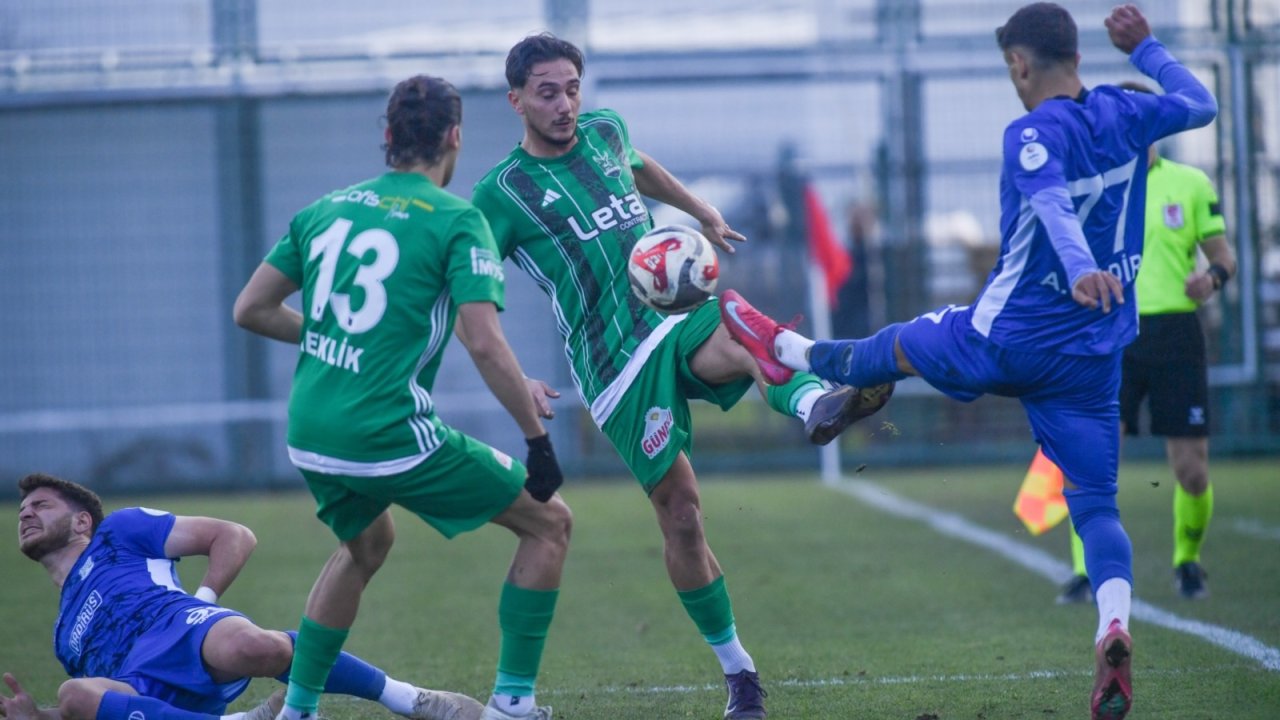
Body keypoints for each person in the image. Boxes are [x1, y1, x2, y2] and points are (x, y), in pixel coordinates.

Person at [717, 5, 1216, 720]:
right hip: (1092, 354)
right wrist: (1147, 50)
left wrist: (1077, 266)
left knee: (897, 345)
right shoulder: (1127, 112)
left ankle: (789, 351)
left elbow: (1052, 202)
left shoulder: (1031, 132)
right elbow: (1201, 105)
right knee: (1095, 505)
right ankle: (1112, 624)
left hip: (1005, 340)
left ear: (1019, 64)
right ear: (1078, 54)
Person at [470, 33, 892, 720]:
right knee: (683, 516)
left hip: (672, 318)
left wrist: (701, 212)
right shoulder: (501, 193)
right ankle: (739, 671)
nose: (565, 104)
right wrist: (517, 377)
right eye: (547, 93)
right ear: (516, 100)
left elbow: (640, 167)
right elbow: (472, 298)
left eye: (572, 89)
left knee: (736, 325)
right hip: (613, 366)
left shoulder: (604, 131)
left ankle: (818, 399)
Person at [233, 75, 572, 720]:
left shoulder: (326, 209)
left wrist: (331, 338)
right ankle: (513, 704)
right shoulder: (457, 219)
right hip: (385, 433)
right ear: (455, 137)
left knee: (365, 545)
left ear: (388, 136)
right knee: (549, 522)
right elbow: (484, 342)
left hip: (309, 431)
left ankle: (298, 711)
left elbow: (251, 308)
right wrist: (537, 440)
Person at [5, 472, 480, 720]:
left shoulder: (118, 533)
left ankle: (414, 700)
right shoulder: (63, 634)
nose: (26, 515)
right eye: (22, 509)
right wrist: (39, 716)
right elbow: (105, 709)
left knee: (256, 646)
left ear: (82, 521)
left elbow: (234, 535)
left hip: (180, 629)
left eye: (41, 506)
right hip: (143, 687)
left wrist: (205, 600)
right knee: (73, 693)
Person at [1055, 80, 1236, 605]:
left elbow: (1224, 256)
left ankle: (1187, 561)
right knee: (1090, 462)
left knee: (1192, 470)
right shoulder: (1088, 185)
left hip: (1175, 334)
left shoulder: (1189, 183)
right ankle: (1086, 571)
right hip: (1108, 334)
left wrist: (1212, 280)